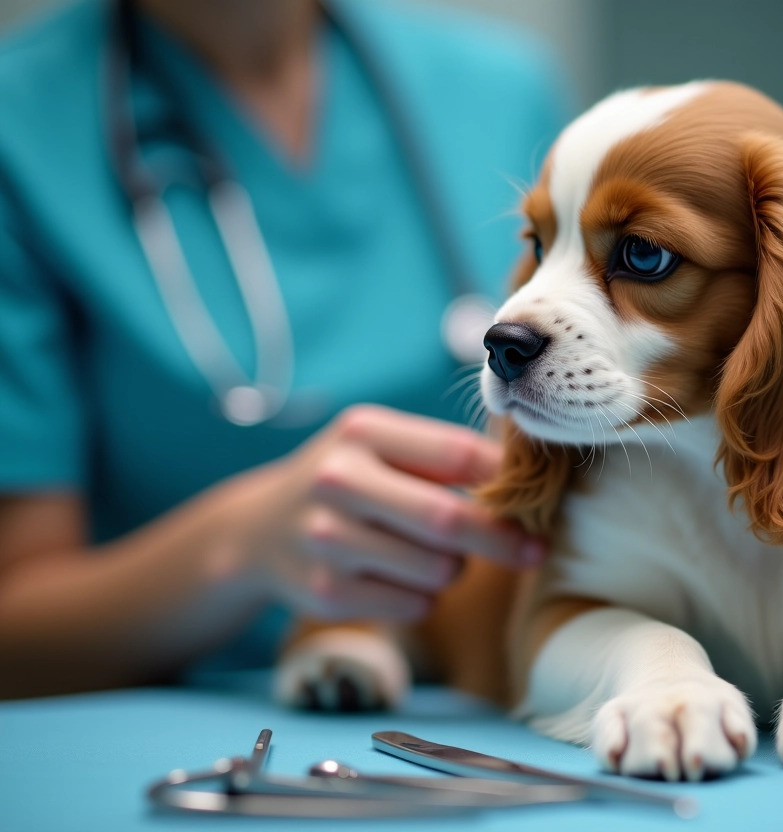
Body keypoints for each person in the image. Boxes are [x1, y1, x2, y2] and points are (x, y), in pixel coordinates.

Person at [0, 0, 566, 699]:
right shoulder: (20, 127)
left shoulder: (500, 94)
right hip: (162, 722)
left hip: (494, 693)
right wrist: (237, 547)